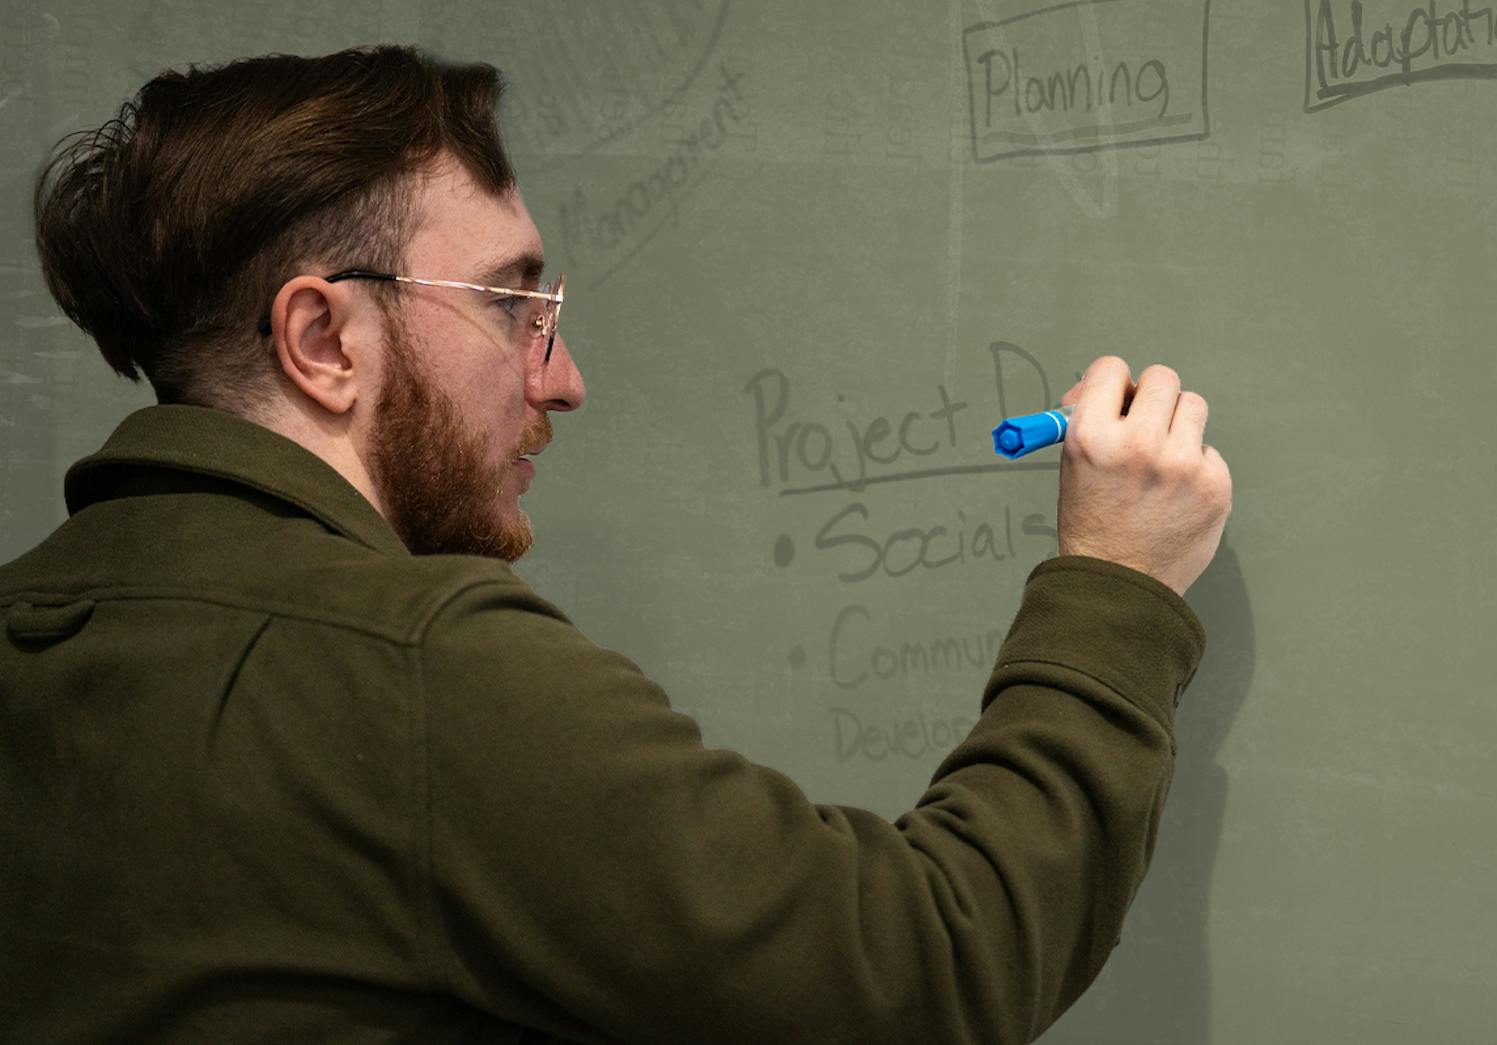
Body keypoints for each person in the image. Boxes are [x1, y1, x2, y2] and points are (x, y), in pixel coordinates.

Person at [0, 44, 1232, 1045]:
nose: (567, 379)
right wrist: (1113, 586)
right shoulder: (416, 667)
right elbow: (926, 966)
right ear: (324, 340)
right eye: (512, 306)